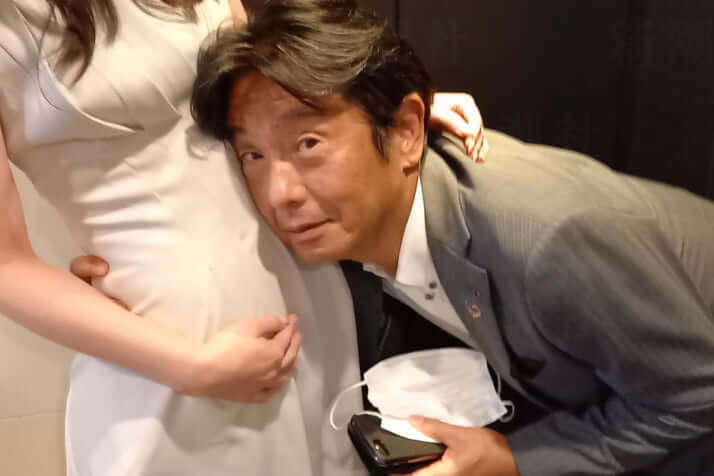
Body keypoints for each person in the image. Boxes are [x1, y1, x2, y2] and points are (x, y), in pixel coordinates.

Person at [180, 0, 714, 474]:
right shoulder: (357, 224)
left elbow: (697, 398)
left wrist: (512, 461)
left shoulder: (547, 242)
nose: (279, 194)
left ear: (407, 130)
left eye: (308, 143)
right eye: (253, 155)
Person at [0, 0, 486, 475]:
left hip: (307, 295)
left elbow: (261, 81)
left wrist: (379, 111)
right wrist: (194, 367)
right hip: (171, 347)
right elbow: (6, 266)